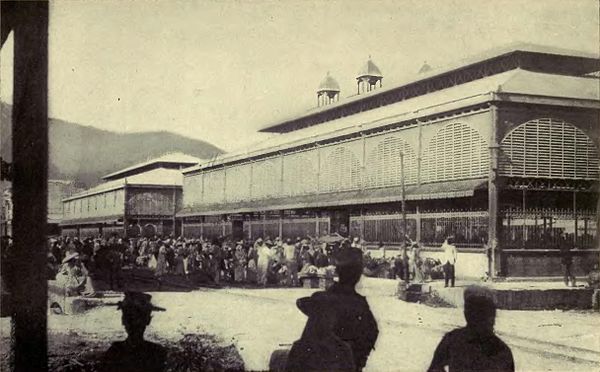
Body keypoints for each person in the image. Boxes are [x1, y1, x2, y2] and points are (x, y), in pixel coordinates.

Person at [313, 245, 379, 371]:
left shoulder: (321, 297)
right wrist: (359, 359)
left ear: (337, 271)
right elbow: (372, 332)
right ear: (358, 274)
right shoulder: (359, 303)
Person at [428, 286, 514, 372]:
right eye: (480, 314)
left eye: (488, 313)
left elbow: (434, 368)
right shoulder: (503, 350)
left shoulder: (453, 340)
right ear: (467, 315)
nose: (490, 319)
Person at [285, 295, 355, 372]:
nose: (322, 320)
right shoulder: (343, 349)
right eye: (318, 316)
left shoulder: (299, 347)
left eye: (326, 316)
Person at [102, 292, 167, 372]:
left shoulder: (115, 351)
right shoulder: (157, 352)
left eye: (138, 317)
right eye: (129, 317)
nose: (134, 322)